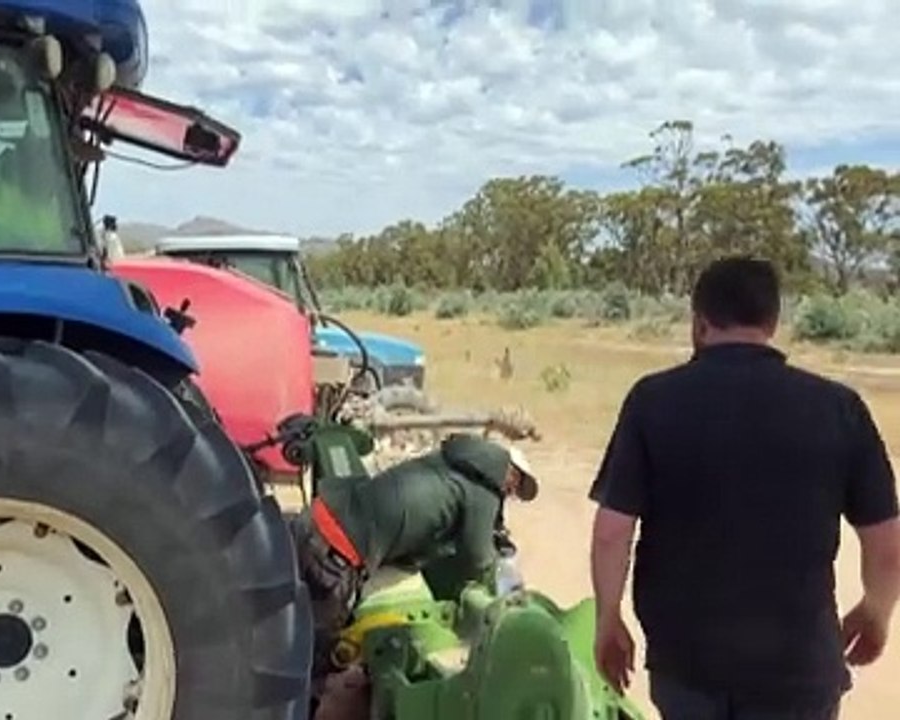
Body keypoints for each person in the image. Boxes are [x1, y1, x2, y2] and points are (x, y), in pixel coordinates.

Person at [587, 256, 900, 720]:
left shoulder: (652, 401)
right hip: (798, 667)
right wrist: (877, 612)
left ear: (698, 322)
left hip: (685, 664)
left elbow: (612, 532)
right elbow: (888, 544)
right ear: (773, 322)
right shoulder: (838, 408)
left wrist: (607, 620)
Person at [289, 432, 539, 679]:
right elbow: (478, 558)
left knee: (281, 626)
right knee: (310, 663)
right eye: (515, 487)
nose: (511, 493)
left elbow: (421, 516)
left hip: (318, 518)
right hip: (334, 552)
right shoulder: (484, 488)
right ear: (511, 473)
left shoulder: (448, 460)